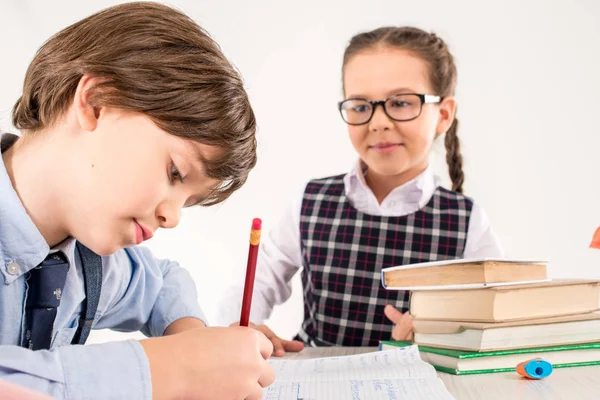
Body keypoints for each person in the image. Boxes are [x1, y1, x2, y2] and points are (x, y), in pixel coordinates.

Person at [0, 2, 274, 399]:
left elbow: (162, 282)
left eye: (190, 200)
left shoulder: (90, 265)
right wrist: (172, 369)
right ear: (95, 102)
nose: (173, 217)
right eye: (175, 173)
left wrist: (193, 341)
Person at [220, 26, 504, 352]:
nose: (378, 122)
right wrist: (241, 326)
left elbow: (496, 313)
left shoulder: (467, 222)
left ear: (442, 115)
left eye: (400, 103)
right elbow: (259, 280)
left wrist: (445, 330)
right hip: (317, 378)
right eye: (360, 106)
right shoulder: (311, 202)